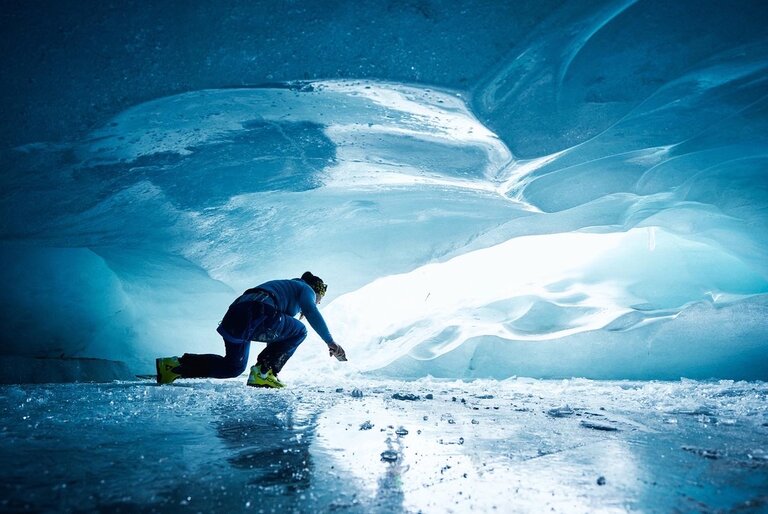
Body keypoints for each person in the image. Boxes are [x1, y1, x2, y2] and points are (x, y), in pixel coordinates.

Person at [156, 271, 346, 388]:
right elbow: (311, 312)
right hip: (259, 310)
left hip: (236, 312)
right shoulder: (305, 289)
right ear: (316, 290)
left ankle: (175, 366)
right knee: (300, 330)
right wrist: (330, 341)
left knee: (233, 367)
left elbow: (280, 330)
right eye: (319, 298)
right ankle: (264, 372)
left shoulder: (286, 288)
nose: (317, 302)